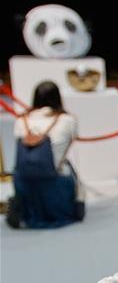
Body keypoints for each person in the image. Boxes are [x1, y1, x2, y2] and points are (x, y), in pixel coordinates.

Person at [9, 81, 82, 229]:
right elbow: (72, 138)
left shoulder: (20, 121)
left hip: (24, 182)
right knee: (67, 167)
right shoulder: (68, 120)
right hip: (56, 183)